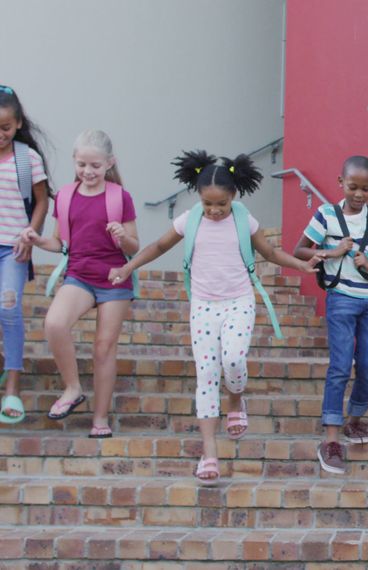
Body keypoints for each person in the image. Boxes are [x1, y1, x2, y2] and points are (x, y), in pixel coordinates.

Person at [108, 150, 320, 484]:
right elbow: (158, 247)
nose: (214, 210)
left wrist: (301, 265)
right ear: (199, 196)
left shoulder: (242, 218)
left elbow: (269, 252)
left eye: (221, 203)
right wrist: (128, 266)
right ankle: (209, 453)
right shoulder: (190, 219)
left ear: (233, 195)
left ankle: (236, 398)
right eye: (208, 203)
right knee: (206, 373)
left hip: (239, 301)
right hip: (203, 306)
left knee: (233, 360)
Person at [292, 156, 368, 475]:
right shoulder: (326, 215)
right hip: (341, 297)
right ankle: (331, 438)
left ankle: (354, 419)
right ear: (341, 183)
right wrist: (332, 252)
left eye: (365, 188)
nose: (359, 194)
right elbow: (299, 250)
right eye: (353, 187)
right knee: (341, 365)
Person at [21, 130, 137, 438]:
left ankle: (100, 419)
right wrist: (37, 239)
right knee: (55, 323)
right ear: (74, 161)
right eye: (82, 164)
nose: (88, 171)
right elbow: (60, 243)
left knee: (103, 348)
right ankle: (73, 388)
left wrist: (122, 237)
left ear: (109, 163)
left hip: (115, 279)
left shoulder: (119, 197)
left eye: (96, 166)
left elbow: (135, 247)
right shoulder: (67, 196)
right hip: (80, 275)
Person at [0, 85, 51, 424]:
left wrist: (31, 236)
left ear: (18, 123)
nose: (0, 134)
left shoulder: (26, 158)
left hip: (13, 248)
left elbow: (42, 200)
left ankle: (12, 385)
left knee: (9, 308)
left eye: (5, 127)